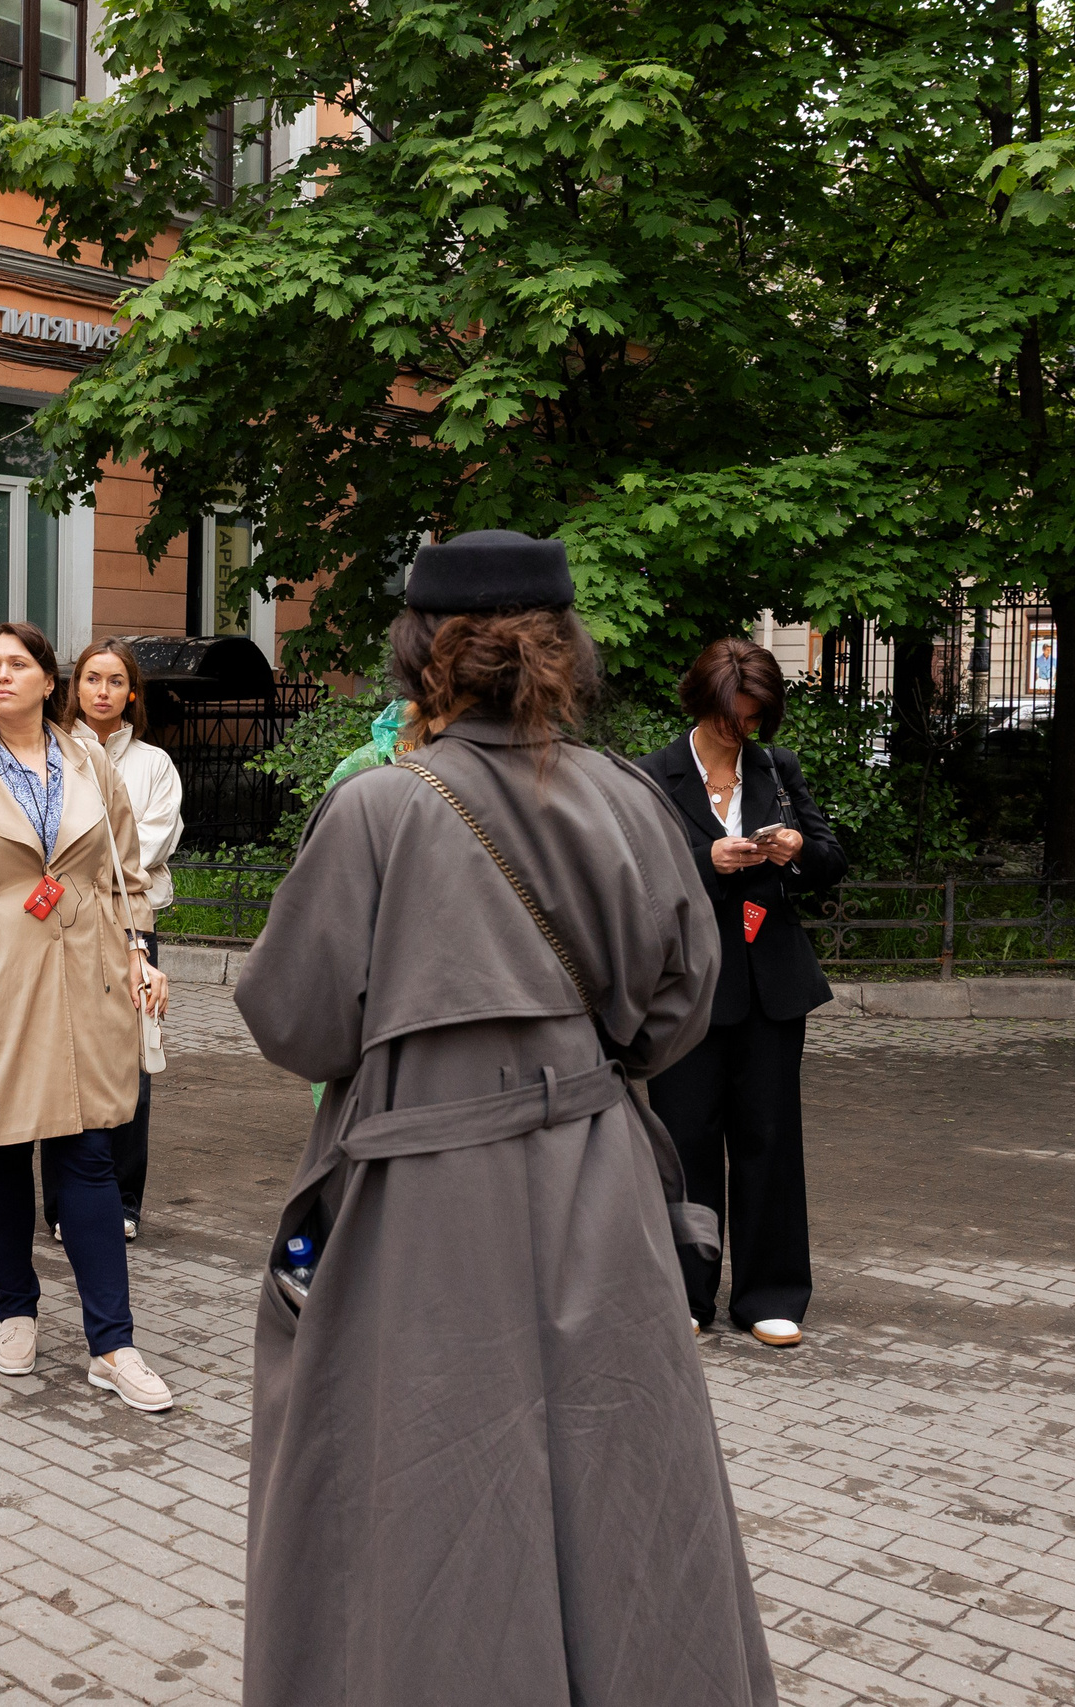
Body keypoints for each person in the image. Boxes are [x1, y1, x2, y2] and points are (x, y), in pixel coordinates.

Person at [231, 530, 774, 1705]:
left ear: (418, 654)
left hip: (423, 1201)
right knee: (620, 1485)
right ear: (566, 652)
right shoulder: (633, 797)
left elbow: (295, 1022)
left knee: (427, 1497)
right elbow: (681, 1005)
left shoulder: (378, 808)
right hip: (598, 1177)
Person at [0, 622, 177, 1412]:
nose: (3, 675)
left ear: (49, 680)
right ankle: (15, 1309)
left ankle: (112, 1344)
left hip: (86, 977)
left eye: (19, 664)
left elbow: (127, 875)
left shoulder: (89, 764)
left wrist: (138, 956)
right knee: (4, 1153)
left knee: (88, 1152)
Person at [637, 637, 847, 1347]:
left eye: (757, 718)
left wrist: (795, 849)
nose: (745, 732)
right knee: (685, 1139)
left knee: (770, 1139)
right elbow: (632, 879)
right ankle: (683, 1290)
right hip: (689, 989)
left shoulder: (776, 769)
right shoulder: (653, 777)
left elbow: (830, 860)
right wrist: (707, 860)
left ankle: (770, 1293)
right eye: (734, 718)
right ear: (703, 705)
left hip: (770, 987)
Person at [43, 638, 184, 1242]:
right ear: (74, 688)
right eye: (91, 678)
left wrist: (81, 860)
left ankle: (123, 1201)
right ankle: (59, 1205)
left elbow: (145, 846)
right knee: (55, 1060)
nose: (102, 691)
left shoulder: (153, 764)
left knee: (130, 1063)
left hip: (131, 923)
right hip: (58, 924)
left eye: (115, 681)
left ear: (132, 693)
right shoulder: (46, 750)